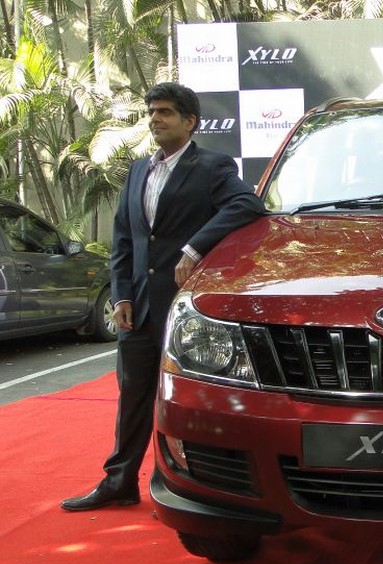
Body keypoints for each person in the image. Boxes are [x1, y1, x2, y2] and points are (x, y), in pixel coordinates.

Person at [61, 82, 264, 512]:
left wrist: (195, 248)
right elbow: (123, 239)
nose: (155, 119)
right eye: (151, 111)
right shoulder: (138, 170)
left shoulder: (212, 166)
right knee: (132, 395)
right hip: (137, 306)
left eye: (165, 112)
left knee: (181, 398)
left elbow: (247, 204)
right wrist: (121, 295)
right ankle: (118, 481)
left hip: (184, 309)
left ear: (190, 122)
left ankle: (178, 483)